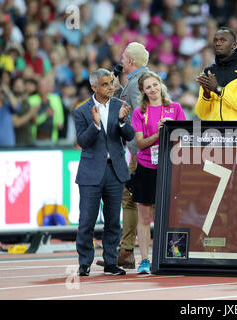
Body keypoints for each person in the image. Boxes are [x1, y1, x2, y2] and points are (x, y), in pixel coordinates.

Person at [74, 68, 134, 276]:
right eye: (106, 84)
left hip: (115, 172)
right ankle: (84, 262)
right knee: (87, 221)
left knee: (112, 221)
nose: (111, 87)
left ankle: (110, 262)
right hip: (90, 172)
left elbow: (130, 135)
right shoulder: (81, 111)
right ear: (94, 87)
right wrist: (96, 125)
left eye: (112, 83)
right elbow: (82, 141)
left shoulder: (121, 106)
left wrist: (122, 121)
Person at [96, 42, 150, 269]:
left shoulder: (138, 84)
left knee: (132, 201)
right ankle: (127, 251)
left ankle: (127, 251)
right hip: (143, 149)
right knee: (136, 201)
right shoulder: (141, 79)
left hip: (141, 151)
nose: (120, 58)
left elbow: (139, 116)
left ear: (131, 62)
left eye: (124, 56)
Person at [131, 71, 186, 274]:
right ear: (143, 92)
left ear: (161, 85)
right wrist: (158, 134)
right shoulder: (139, 113)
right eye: (148, 87)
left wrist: (171, 132)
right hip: (146, 167)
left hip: (170, 167)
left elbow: (183, 140)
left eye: (155, 85)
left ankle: (172, 255)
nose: (153, 90)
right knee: (144, 217)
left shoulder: (175, 108)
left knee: (172, 214)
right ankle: (145, 260)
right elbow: (140, 143)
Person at [195, 27, 237, 120]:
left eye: (223, 40)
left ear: (234, 45)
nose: (217, 43)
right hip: (215, 132)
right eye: (215, 40)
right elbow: (202, 114)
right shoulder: (208, 72)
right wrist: (206, 94)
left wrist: (218, 89)